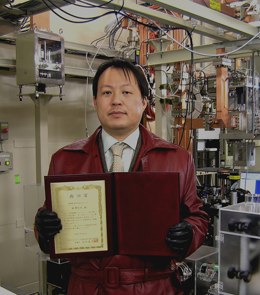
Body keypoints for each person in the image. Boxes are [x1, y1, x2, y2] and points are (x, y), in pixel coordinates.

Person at [34, 58, 209, 295]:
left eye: (126, 92)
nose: (116, 100)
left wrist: (189, 233)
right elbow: (50, 222)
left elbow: (196, 216)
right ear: (95, 102)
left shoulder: (177, 159)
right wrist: (43, 229)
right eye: (106, 92)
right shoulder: (65, 160)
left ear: (144, 102)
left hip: (154, 286)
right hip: (88, 286)